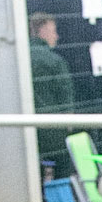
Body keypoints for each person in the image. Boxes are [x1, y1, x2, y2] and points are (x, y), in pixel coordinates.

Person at [28, 12, 74, 177]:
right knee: (64, 163)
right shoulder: (55, 61)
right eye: (53, 30)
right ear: (42, 30)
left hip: (28, 129)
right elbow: (65, 95)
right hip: (53, 130)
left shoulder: (20, 59)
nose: (57, 36)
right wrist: (69, 122)